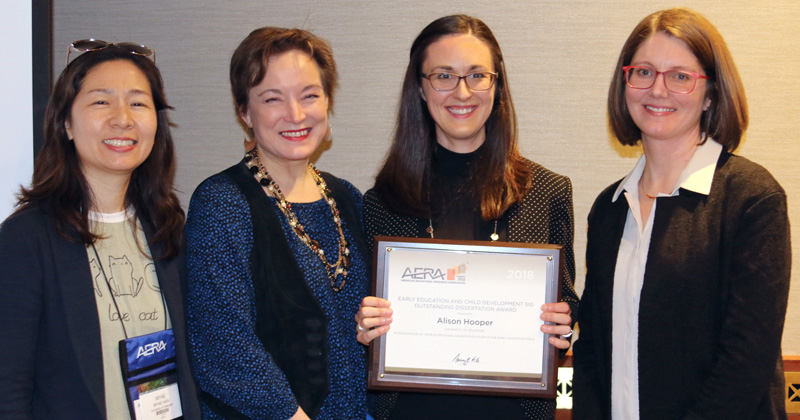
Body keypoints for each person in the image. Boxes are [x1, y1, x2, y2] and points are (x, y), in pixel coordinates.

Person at [355, 15, 578, 420]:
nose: (462, 92)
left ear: (497, 85)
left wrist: (563, 322)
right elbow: (368, 319)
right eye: (444, 75)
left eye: (478, 75)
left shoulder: (548, 192)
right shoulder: (381, 203)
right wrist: (367, 325)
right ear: (420, 89)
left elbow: (567, 302)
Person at [572, 7, 791, 420]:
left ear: (711, 94)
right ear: (626, 83)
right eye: (644, 72)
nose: (658, 90)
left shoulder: (751, 197)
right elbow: (592, 352)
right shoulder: (609, 208)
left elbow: (745, 363)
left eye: (680, 76)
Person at [0, 40, 200, 419]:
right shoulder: (26, 239)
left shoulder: (168, 227)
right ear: (65, 123)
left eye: (138, 103)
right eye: (101, 101)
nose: (123, 118)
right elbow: (7, 388)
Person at [184, 27, 370, 420]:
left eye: (309, 95)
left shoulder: (348, 197)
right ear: (244, 112)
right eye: (272, 99)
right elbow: (223, 345)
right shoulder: (222, 204)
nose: (296, 114)